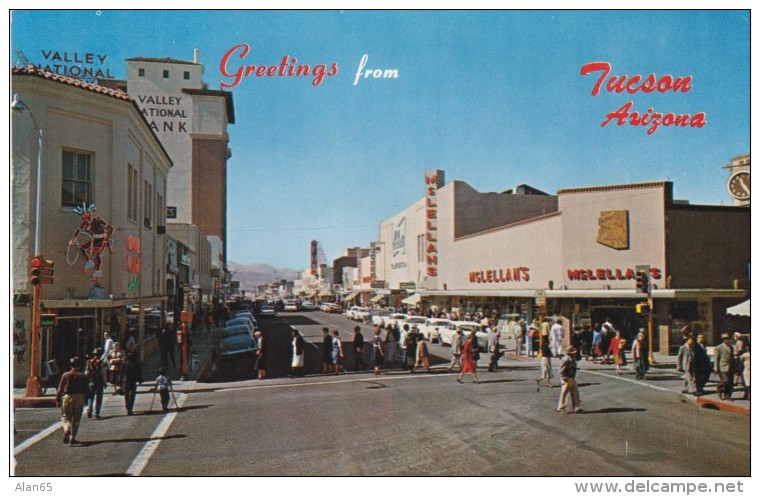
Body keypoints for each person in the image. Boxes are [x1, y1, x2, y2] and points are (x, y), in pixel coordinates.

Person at [69, 205, 114, 276]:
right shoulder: (84, 223)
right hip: (95, 239)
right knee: (82, 248)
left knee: (97, 254)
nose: (83, 215)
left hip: (102, 239)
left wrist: (107, 238)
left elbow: (110, 228)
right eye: (83, 214)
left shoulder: (97, 220)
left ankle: (98, 271)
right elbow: (78, 231)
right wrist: (73, 240)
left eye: (85, 213)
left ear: (89, 213)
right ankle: (89, 262)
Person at [56, 357, 89, 445]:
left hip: (68, 396)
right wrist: (86, 401)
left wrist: (58, 399)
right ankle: (72, 438)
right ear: (79, 366)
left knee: (66, 417)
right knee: (76, 419)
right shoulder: (82, 376)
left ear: (70, 365)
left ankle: (67, 428)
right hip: (79, 397)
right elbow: (86, 389)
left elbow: (60, 388)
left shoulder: (65, 375)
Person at [557, 346, 582, 413]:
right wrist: (564, 378)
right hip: (567, 378)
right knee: (564, 393)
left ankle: (576, 406)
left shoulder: (571, 359)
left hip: (571, 378)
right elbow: (562, 370)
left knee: (575, 392)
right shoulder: (566, 359)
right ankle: (561, 406)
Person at [85, 348, 105, 419]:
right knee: (99, 397)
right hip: (99, 381)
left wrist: (86, 380)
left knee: (91, 396)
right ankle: (97, 413)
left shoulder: (89, 362)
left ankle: (89, 410)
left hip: (91, 381)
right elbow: (103, 373)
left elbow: (86, 372)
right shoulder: (101, 362)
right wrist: (105, 382)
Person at [714, 333, 735, 400]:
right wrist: (716, 367)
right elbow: (716, 358)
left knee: (730, 382)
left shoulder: (731, 347)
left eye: (728, 339)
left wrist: (734, 366)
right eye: (725, 339)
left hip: (730, 367)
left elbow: (732, 357)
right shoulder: (718, 347)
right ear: (723, 340)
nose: (727, 340)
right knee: (725, 380)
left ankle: (728, 395)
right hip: (722, 367)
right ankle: (719, 390)